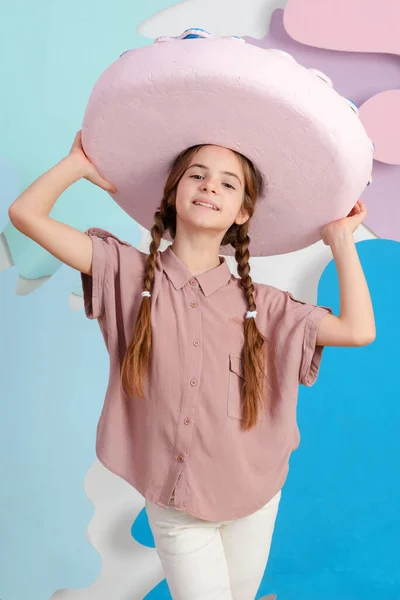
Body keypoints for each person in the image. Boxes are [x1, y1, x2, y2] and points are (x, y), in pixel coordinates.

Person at [8, 130, 376, 600]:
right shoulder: (125, 273)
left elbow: (358, 330)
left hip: (253, 495)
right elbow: (25, 215)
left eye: (228, 184)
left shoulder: (266, 306)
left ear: (243, 212)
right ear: (174, 193)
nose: (209, 187)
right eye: (197, 176)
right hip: (177, 502)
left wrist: (341, 241)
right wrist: (77, 165)